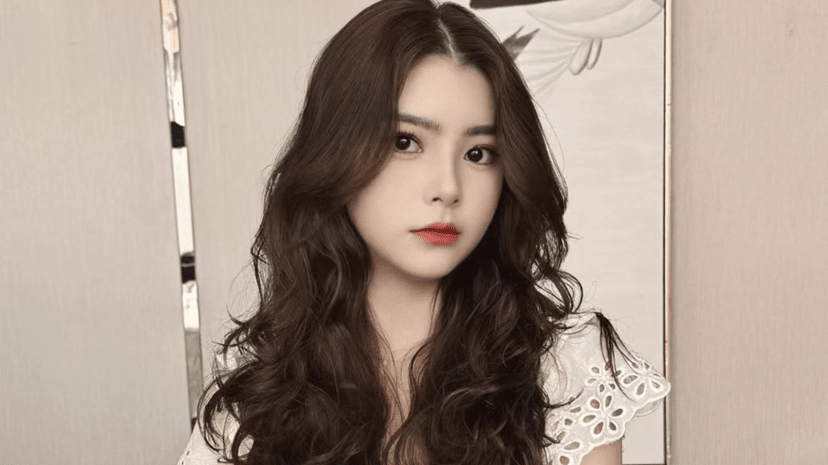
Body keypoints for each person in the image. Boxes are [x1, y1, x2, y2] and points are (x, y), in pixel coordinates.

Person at [177, 0, 670, 464]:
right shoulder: (260, 387)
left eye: (478, 153)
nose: (448, 188)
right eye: (405, 142)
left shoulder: (566, 372)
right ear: (336, 151)